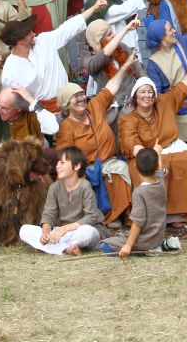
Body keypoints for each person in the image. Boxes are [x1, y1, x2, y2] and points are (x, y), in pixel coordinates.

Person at [117, 64, 187, 226]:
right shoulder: (128, 119)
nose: (147, 95)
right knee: (143, 169)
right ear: (135, 96)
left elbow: (182, 87)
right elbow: (131, 143)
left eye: (150, 92)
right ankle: (154, 217)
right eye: (142, 92)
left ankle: (182, 215)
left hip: (172, 147)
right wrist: (154, 161)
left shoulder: (164, 102)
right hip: (144, 156)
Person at [55, 57, 137, 224]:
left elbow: (110, 88)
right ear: (67, 105)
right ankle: (101, 218)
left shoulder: (95, 106)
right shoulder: (67, 127)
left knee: (122, 169)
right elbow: (66, 156)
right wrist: (82, 170)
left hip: (109, 161)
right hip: (86, 167)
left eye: (81, 94)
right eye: (75, 97)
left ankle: (120, 215)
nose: (81, 99)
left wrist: (126, 65)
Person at [0, 0, 108, 109]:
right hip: (39, 111)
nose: (33, 34)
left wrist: (94, 8)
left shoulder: (43, 41)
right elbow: (13, 100)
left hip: (66, 104)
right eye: (28, 33)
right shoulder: (10, 68)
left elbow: (67, 28)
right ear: (19, 41)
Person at [19, 146, 110, 255]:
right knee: (24, 230)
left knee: (87, 233)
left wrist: (64, 230)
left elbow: (91, 217)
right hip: (61, 233)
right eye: (57, 163)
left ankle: (51, 247)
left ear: (77, 166)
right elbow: (48, 215)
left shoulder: (85, 186)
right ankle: (66, 248)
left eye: (62, 163)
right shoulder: (54, 187)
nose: (57, 166)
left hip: (80, 230)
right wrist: (45, 234)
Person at [99, 147, 168, 257]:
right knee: (119, 238)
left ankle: (147, 252)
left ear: (135, 166)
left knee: (105, 246)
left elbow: (138, 222)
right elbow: (159, 169)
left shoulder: (139, 192)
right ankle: (161, 245)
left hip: (145, 240)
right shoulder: (161, 183)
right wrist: (158, 153)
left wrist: (128, 245)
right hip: (157, 237)